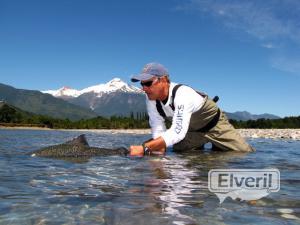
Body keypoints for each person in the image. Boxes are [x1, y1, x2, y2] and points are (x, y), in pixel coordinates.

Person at [129, 62, 254, 156]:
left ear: (164, 80)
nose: (143, 88)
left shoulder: (182, 93)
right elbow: (158, 129)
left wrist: (145, 148)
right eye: (142, 84)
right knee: (179, 153)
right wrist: (157, 158)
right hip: (190, 132)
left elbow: (177, 132)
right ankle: (201, 148)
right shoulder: (151, 98)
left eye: (148, 83)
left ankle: (216, 145)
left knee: (245, 155)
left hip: (214, 126)